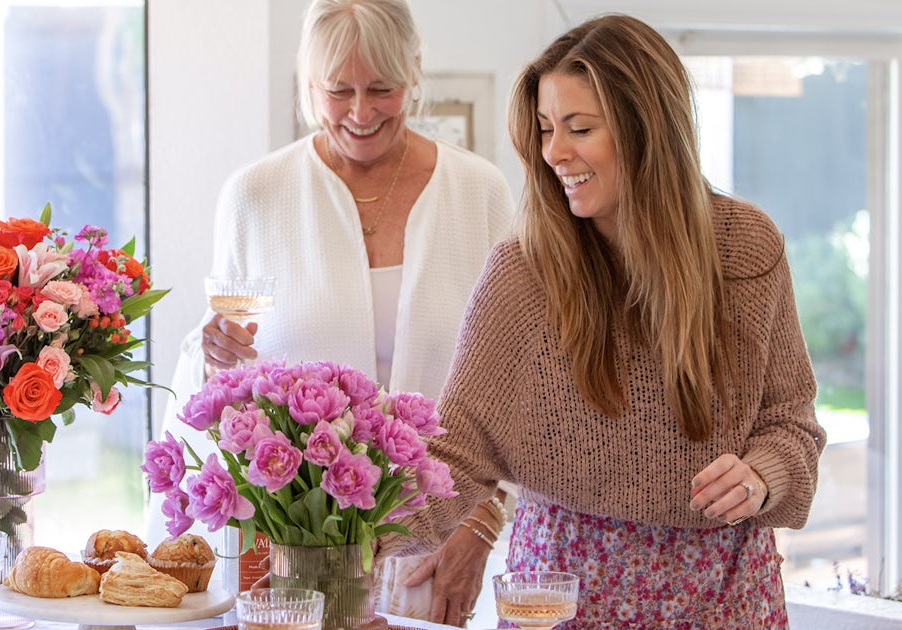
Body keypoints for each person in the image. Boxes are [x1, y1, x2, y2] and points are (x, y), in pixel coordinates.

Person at [383, 14, 826, 628]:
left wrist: (761, 477)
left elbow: (792, 425)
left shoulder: (746, 249)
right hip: (559, 597)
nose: (553, 152)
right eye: (545, 129)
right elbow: (457, 453)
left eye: (580, 128)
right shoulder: (522, 270)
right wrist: (343, 528)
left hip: (722, 597)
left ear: (648, 130)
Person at [149, 0, 515, 625]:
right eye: (338, 90)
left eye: (383, 88)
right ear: (306, 84)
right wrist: (210, 353)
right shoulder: (256, 195)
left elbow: (515, 385)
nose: (361, 112)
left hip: (444, 545)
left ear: (416, 72)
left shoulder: (479, 191)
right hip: (299, 555)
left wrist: (479, 529)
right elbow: (226, 386)